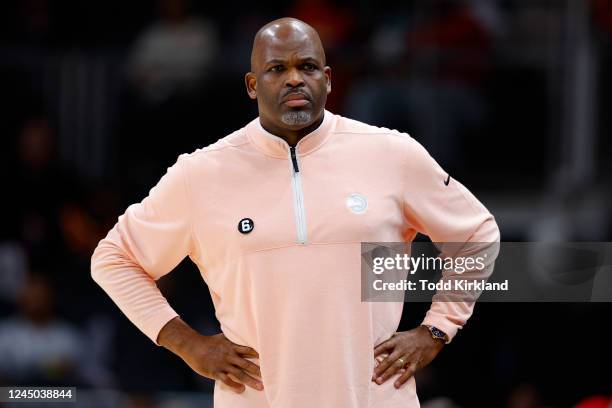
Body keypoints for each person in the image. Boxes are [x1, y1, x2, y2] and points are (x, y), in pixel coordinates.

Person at [91, 17, 500, 408]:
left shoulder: (392, 154)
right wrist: (185, 342)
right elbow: (113, 259)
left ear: (327, 78)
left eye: (307, 66)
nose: (293, 79)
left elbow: (477, 235)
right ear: (252, 85)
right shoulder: (201, 173)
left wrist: (436, 330)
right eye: (276, 68)